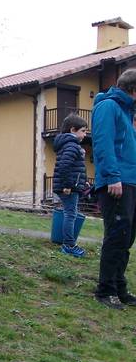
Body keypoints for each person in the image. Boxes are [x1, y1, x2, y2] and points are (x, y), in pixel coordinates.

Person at [91, 68, 136, 310]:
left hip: (130, 181)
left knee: (126, 238)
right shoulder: (108, 107)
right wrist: (112, 176)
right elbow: (102, 142)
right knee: (116, 236)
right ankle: (105, 290)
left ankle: (119, 287)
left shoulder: (127, 112)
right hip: (116, 182)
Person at [53, 113, 88, 258]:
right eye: (83, 131)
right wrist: (67, 185)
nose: (85, 134)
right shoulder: (72, 146)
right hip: (68, 187)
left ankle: (66, 241)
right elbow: (65, 166)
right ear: (73, 130)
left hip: (71, 185)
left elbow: (74, 167)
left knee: (69, 213)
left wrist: (82, 181)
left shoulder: (70, 146)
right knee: (70, 214)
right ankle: (68, 245)